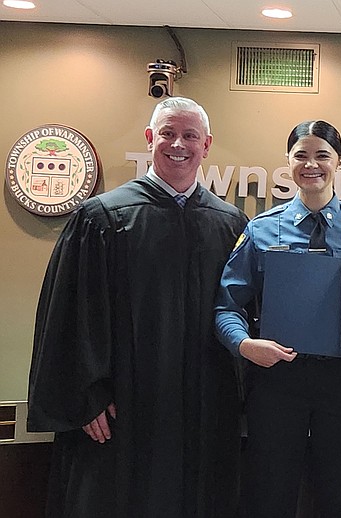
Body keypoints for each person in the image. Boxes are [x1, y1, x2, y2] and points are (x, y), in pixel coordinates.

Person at [27, 97, 248, 517]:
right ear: (150, 139)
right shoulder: (102, 218)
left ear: (207, 145)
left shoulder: (231, 224)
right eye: (167, 133)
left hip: (206, 410)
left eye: (189, 135)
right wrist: (87, 395)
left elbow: (242, 313)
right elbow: (71, 316)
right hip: (125, 410)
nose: (177, 144)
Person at [215, 120, 341, 518]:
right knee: (268, 494)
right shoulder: (261, 230)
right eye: (301, 156)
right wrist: (245, 345)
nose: (311, 164)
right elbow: (227, 306)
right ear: (288, 163)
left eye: (322, 156)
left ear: (340, 162)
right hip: (278, 380)